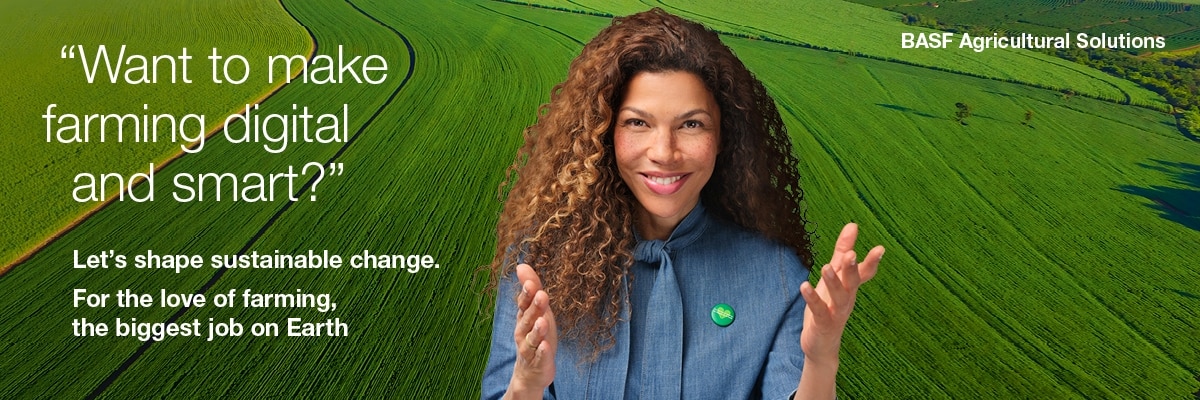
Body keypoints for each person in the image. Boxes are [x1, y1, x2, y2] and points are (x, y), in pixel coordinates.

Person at [481, 8, 884, 400]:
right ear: (605, 135)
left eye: (691, 124)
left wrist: (821, 358)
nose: (664, 152)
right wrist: (526, 385)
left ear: (724, 137)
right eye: (638, 123)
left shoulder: (776, 274)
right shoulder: (540, 258)